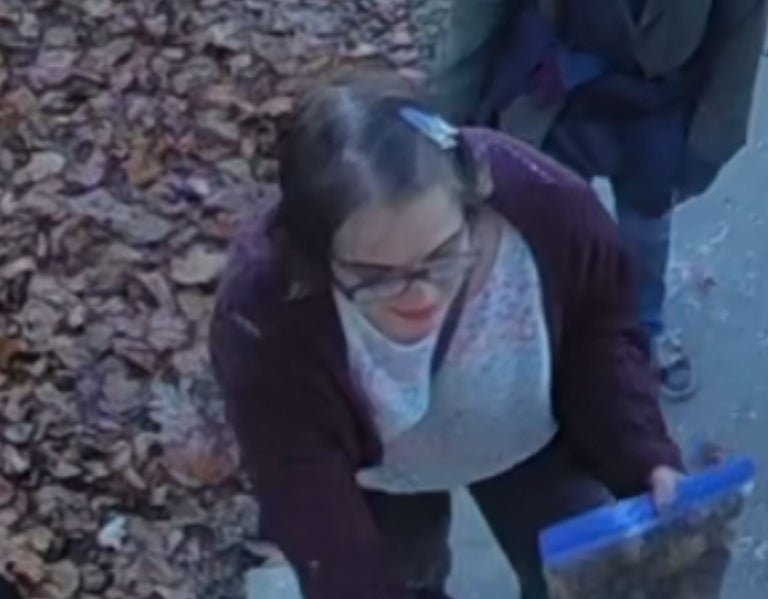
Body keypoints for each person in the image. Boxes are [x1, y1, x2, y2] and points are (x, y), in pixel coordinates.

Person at [209, 74, 686, 599]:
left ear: (475, 199)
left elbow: (599, 333)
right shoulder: (267, 313)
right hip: (380, 478)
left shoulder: (550, 206)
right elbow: (298, 479)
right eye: (375, 275)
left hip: (537, 439)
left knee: (583, 582)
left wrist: (642, 452)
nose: (420, 296)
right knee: (405, 578)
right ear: (317, 256)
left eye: (442, 256)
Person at [432, 0, 767, 401]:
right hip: (559, 94)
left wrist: (708, 147)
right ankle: (558, 328)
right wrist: (448, 123)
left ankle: (643, 328)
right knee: (551, 224)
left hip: (659, 101)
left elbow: (738, 47)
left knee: (646, 227)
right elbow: (478, 22)